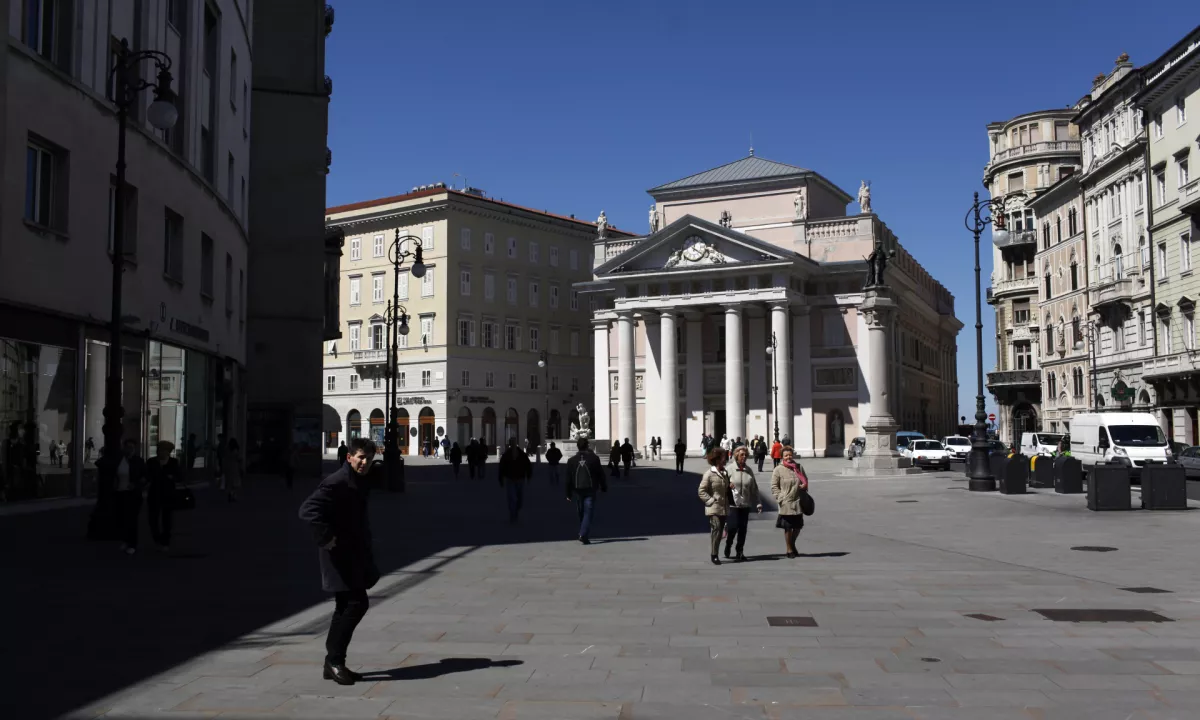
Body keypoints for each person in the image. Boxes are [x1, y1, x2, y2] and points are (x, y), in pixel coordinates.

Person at [298, 437, 380, 686]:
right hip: (340, 554)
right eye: (360, 457)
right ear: (349, 457)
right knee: (357, 603)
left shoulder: (358, 480)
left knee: (346, 604)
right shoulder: (337, 482)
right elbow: (307, 509)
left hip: (353, 552)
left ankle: (333, 662)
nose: (364, 462)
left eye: (368, 458)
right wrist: (326, 537)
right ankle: (334, 660)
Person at [103, 439, 145, 555]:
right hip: (120, 493)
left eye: (132, 447)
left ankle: (132, 544)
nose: (129, 449)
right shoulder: (118, 460)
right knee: (121, 518)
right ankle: (126, 540)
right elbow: (112, 474)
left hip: (133, 494)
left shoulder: (138, 461)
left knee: (132, 519)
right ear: (124, 448)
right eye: (127, 447)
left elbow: (144, 477)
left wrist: (135, 484)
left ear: (135, 449)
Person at [724, 447, 763, 562]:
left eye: (745, 455)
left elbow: (754, 488)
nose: (744, 457)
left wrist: (758, 503)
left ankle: (739, 551)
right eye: (741, 455)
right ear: (736, 456)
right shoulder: (729, 469)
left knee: (743, 529)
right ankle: (728, 543)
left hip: (745, 504)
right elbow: (722, 484)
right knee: (732, 527)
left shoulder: (749, 470)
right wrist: (728, 485)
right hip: (732, 504)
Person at [565, 438, 606, 543]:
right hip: (591, 489)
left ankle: (583, 531)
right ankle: (583, 533)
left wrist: (568, 493)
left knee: (581, 511)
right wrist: (603, 486)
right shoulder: (594, 458)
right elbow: (600, 474)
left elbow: (568, 479)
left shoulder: (571, 460)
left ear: (577, 446)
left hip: (578, 489)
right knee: (588, 511)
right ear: (587, 446)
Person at [771, 446, 809, 559]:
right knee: (788, 527)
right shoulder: (778, 469)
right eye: (786, 455)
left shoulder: (799, 467)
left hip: (798, 501)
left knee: (797, 527)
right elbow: (774, 486)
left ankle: (792, 543)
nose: (788, 457)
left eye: (790, 455)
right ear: (782, 457)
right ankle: (789, 549)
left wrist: (804, 485)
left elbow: (805, 480)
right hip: (786, 502)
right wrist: (780, 498)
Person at [145, 440, 182, 551]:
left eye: (162, 450)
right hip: (154, 494)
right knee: (153, 519)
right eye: (158, 449)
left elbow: (180, 476)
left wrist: (173, 477)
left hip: (168, 494)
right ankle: (157, 538)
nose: (159, 452)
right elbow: (147, 475)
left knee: (167, 519)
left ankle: (166, 541)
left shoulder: (173, 462)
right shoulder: (151, 462)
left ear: (168, 452)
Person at [698, 448, 730, 565]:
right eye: (723, 457)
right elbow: (701, 491)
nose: (725, 459)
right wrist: (710, 500)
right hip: (713, 507)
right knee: (716, 529)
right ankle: (714, 555)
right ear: (717, 459)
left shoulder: (725, 473)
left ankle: (715, 551)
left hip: (724, 507)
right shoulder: (709, 474)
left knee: (720, 531)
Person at [498, 438, 532, 523]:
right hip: (510, 479)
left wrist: (529, 476)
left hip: (520, 479)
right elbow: (501, 467)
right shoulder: (506, 455)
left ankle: (516, 510)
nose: (513, 444)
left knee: (520, 500)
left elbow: (528, 465)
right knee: (512, 498)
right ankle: (512, 514)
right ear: (510, 444)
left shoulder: (521, 454)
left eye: (514, 442)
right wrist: (501, 479)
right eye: (512, 443)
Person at [224, 438, 243, 502]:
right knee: (235, 482)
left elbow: (224, 457)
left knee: (229, 481)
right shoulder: (235, 450)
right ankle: (233, 494)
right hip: (234, 467)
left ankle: (230, 493)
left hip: (227, 467)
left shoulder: (227, 449)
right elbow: (239, 458)